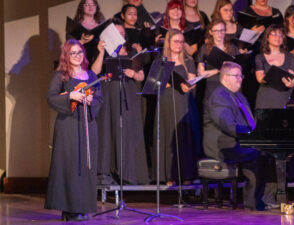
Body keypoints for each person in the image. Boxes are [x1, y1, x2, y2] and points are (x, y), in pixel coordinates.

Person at [45, 39, 103, 221]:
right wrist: (70, 95)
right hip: (68, 126)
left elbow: (100, 100)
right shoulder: (61, 75)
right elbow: (51, 98)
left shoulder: (92, 76)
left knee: (85, 166)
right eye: (73, 53)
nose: (77, 56)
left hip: (88, 125)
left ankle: (83, 206)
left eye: (80, 52)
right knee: (69, 166)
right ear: (66, 56)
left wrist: (90, 101)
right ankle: (68, 209)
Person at [203, 61, 270, 210]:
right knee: (258, 154)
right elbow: (229, 126)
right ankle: (253, 201)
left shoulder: (239, 96)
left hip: (236, 142)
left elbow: (250, 122)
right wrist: (252, 135)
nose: (240, 79)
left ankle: (258, 199)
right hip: (222, 145)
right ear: (225, 77)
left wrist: (258, 134)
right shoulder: (219, 96)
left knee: (266, 152)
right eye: (236, 76)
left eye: (241, 75)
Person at [92, 18, 149, 185]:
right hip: (108, 94)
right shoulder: (102, 51)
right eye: (117, 33)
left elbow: (141, 76)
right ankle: (107, 173)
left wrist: (132, 73)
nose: (121, 35)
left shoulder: (131, 51)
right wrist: (101, 52)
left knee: (127, 132)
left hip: (127, 95)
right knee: (108, 131)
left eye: (123, 33)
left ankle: (129, 174)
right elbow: (94, 73)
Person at [154, 29, 202, 186]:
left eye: (181, 42)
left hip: (184, 101)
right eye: (175, 41)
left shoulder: (188, 61)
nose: (179, 45)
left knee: (185, 136)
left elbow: (192, 82)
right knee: (169, 135)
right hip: (168, 102)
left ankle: (187, 174)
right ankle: (169, 175)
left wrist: (189, 85)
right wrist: (170, 83)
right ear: (168, 43)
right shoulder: (161, 61)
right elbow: (156, 85)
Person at [196, 18, 240, 102]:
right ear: (210, 32)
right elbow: (201, 73)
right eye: (216, 31)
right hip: (213, 87)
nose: (219, 34)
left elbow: (239, 69)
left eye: (222, 30)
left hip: (230, 86)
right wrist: (218, 70)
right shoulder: (204, 48)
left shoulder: (233, 48)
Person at [255, 24, 294, 109]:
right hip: (266, 98)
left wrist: (291, 83)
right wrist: (274, 77)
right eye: (274, 34)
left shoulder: (289, 57)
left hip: (283, 97)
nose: (278, 37)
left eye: (280, 34)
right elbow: (260, 78)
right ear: (267, 37)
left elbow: (291, 76)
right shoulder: (260, 57)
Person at [68, 0, 105, 65]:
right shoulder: (74, 25)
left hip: (99, 59)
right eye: (87, 4)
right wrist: (82, 41)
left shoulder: (101, 24)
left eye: (93, 4)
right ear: (82, 7)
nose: (91, 7)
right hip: (81, 61)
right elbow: (69, 46)